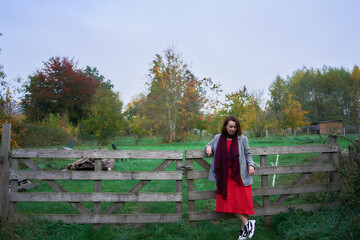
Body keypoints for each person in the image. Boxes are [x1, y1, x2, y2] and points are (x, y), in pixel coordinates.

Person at [206, 116, 256, 240]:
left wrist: (251, 165)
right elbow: (209, 145)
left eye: (235, 127)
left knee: (242, 203)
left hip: (239, 175)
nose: (233, 129)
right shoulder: (218, 138)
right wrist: (208, 147)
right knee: (227, 201)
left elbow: (248, 153)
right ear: (225, 126)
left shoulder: (242, 139)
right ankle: (247, 223)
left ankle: (243, 231)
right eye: (230, 127)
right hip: (224, 176)